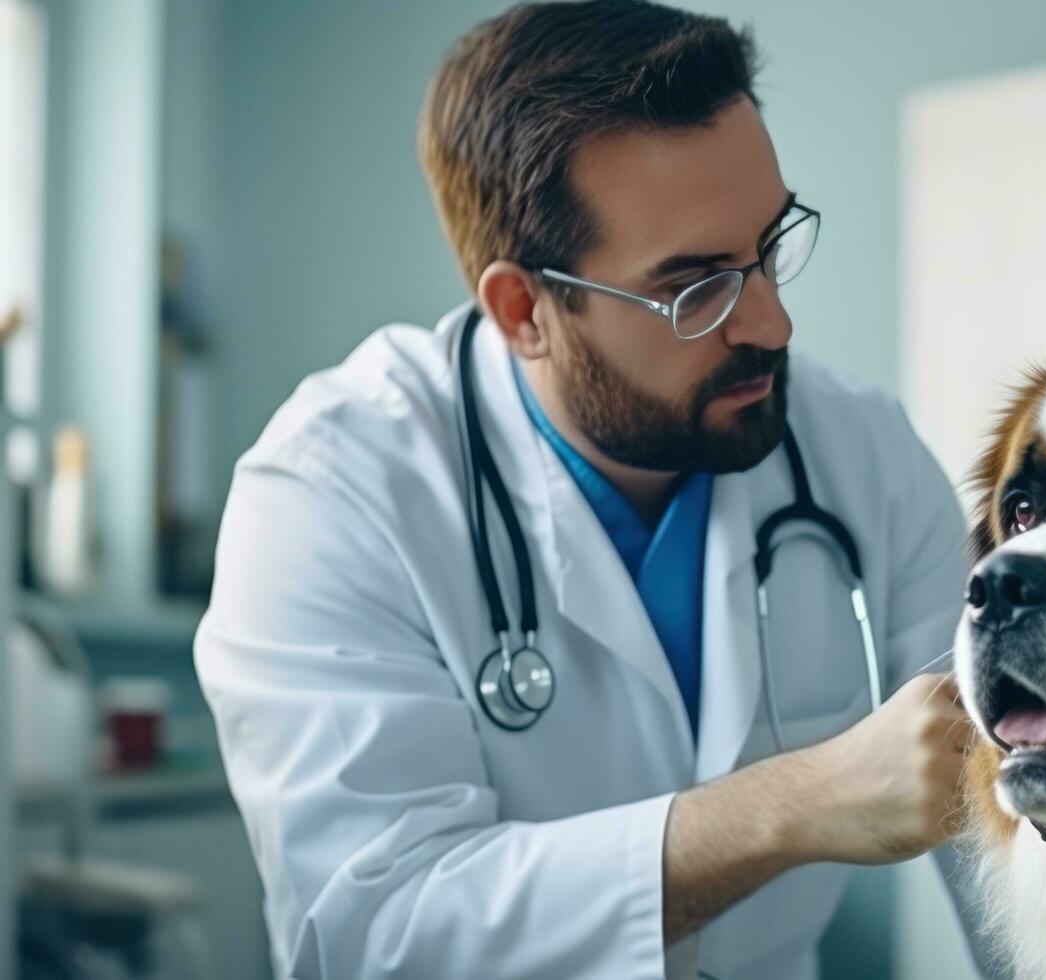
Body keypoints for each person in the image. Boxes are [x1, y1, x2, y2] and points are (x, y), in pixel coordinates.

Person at [193, 3, 990, 977]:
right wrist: (797, 803)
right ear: (524, 309)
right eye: (698, 288)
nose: (774, 324)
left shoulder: (859, 450)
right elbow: (379, 929)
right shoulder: (331, 493)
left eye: (768, 249)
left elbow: (1003, 831)